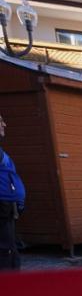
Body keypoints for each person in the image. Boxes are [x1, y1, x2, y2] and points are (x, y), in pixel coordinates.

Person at [0, 114, 25, 270]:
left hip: (7, 210)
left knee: (10, 250)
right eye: (0, 121)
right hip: (2, 207)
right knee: (5, 252)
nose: (4, 124)